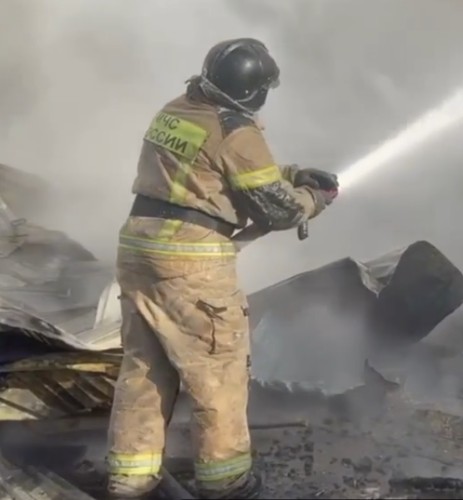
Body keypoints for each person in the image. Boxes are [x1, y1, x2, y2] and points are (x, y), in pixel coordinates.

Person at [105, 38, 339, 499]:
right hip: (190, 265)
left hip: (138, 250)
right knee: (218, 373)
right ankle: (226, 483)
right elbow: (279, 213)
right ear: (255, 92)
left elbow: (213, 166)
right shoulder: (239, 134)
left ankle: (130, 482)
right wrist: (315, 199)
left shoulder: (177, 109)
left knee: (145, 369)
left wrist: (291, 172)